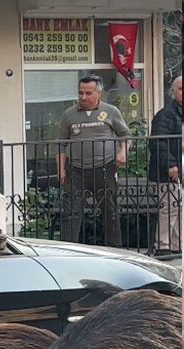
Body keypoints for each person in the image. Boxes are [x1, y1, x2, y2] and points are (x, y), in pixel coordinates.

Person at [56, 74, 129, 247]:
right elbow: (60, 144)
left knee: (110, 213)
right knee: (70, 214)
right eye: (80, 93)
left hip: (104, 168)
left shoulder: (111, 111)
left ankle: (115, 251)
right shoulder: (69, 114)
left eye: (88, 93)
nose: (83, 97)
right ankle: (68, 251)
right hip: (75, 170)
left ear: (99, 92)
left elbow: (125, 134)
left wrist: (123, 152)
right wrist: (61, 169)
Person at [148, 75, 183, 253]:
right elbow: (158, 142)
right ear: (173, 92)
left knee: (179, 210)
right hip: (167, 171)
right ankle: (162, 246)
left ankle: (177, 245)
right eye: (181, 89)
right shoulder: (165, 114)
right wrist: (170, 165)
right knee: (168, 209)